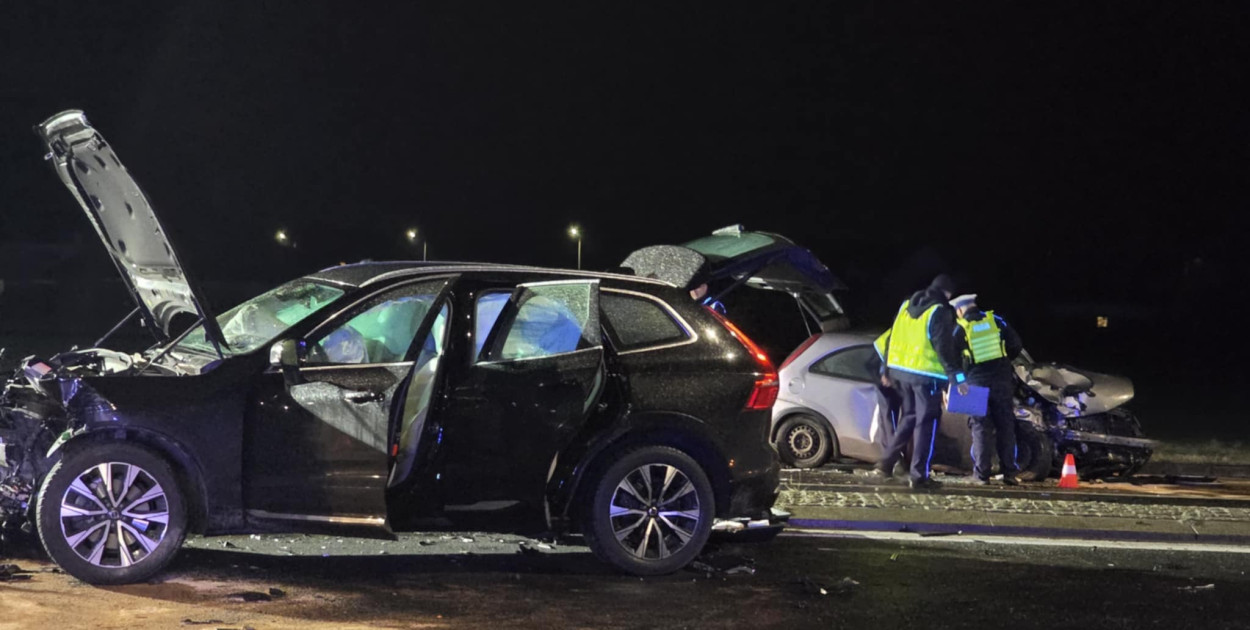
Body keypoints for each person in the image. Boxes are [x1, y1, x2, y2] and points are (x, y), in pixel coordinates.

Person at [873, 274, 966, 491]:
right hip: (926, 378)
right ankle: (919, 476)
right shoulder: (939, 311)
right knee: (926, 425)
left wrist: (886, 369)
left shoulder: (906, 305)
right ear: (948, 294)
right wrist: (958, 378)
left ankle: (885, 464)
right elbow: (944, 349)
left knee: (909, 418)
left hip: (901, 374)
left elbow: (893, 337)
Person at [949, 294, 1025, 485]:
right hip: (1001, 382)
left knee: (980, 429)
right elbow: (1016, 345)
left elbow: (953, 362)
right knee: (1006, 427)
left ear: (960, 310)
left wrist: (959, 381)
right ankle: (1009, 473)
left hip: (975, 383)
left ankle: (982, 475)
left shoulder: (960, 329)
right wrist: (1004, 363)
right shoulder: (996, 321)